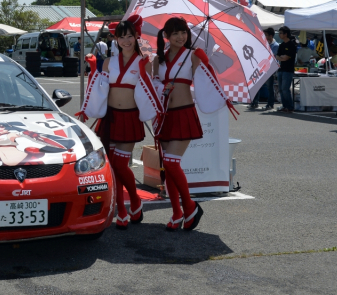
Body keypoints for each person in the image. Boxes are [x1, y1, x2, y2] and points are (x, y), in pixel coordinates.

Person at [75, 15, 162, 229]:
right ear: (116, 39)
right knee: (112, 167)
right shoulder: (108, 62)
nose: (126, 41)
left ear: (136, 36)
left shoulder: (144, 62)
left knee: (120, 164)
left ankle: (134, 200)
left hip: (129, 118)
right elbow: (100, 89)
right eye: (121, 37)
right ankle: (121, 209)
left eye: (129, 36)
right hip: (110, 118)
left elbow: (151, 89)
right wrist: (87, 107)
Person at [151, 17, 234, 232]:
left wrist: (205, 63)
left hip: (184, 113)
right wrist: (161, 86)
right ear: (166, 36)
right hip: (164, 116)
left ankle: (189, 206)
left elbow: (207, 81)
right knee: (167, 167)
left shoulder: (192, 54)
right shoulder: (158, 60)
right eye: (175, 33)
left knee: (171, 163)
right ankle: (177, 213)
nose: (181, 37)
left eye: (184, 32)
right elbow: (152, 85)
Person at [250, 27, 280, 110]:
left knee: (269, 87)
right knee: (256, 85)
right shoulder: (263, 44)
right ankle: (255, 102)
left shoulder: (275, 45)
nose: (264, 36)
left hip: (269, 69)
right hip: (260, 68)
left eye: (265, 35)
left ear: (271, 36)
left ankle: (270, 104)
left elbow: (271, 56)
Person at [275, 26, 297, 112]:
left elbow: (287, 57)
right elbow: (277, 56)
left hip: (288, 70)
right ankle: (285, 106)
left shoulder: (291, 45)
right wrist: (282, 57)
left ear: (286, 34)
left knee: (285, 89)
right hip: (281, 69)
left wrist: (282, 57)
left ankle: (290, 107)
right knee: (280, 89)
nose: (279, 35)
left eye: (281, 33)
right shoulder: (281, 45)